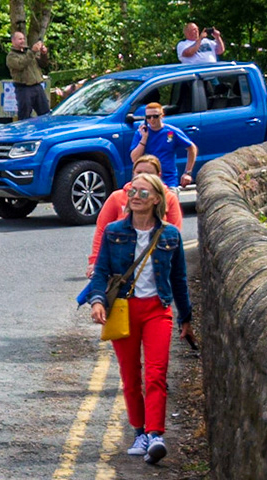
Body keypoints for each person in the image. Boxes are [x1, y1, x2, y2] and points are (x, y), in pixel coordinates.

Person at [80, 173, 191, 465]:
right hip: (124, 310)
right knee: (130, 377)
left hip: (158, 310)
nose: (135, 197)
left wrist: (186, 318)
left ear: (157, 199)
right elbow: (102, 271)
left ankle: (156, 435)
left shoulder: (170, 235)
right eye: (133, 192)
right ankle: (139, 432)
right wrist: (96, 302)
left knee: (156, 374)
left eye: (143, 193)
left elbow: (179, 280)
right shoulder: (115, 232)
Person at [86, 157, 184, 276]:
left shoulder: (169, 198)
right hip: (119, 264)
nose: (143, 176)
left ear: (158, 175)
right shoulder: (116, 197)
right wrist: (94, 262)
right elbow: (101, 230)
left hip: (155, 264)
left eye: (148, 173)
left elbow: (174, 235)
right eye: (138, 172)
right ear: (133, 173)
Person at [129, 102, 196, 189]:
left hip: (168, 180)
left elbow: (192, 148)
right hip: (146, 181)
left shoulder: (171, 131)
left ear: (162, 115)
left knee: (170, 201)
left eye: (155, 116)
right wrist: (144, 138)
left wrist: (187, 173)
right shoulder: (140, 133)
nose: (152, 119)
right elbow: (134, 158)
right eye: (148, 117)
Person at [7, 31, 53, 119]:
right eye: (20, 39)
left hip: (37, 87)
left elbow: (43, 64)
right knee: (25, 114)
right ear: (13, 41)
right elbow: (21, 65)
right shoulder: (11, 56)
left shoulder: (28, 53)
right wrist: (32, 51)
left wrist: (44, 54)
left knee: (45, 113)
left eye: (23, 39)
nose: (23, 41)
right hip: (24, 88)